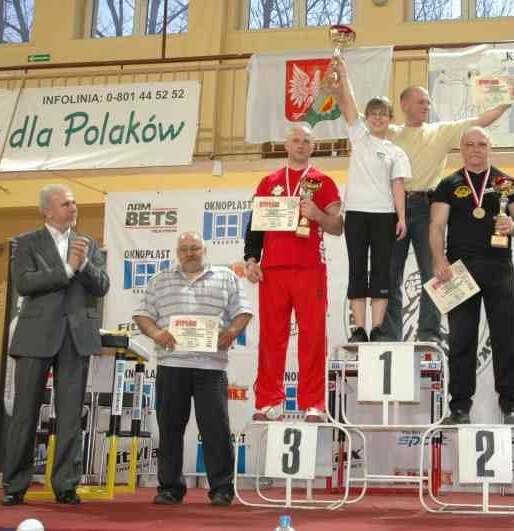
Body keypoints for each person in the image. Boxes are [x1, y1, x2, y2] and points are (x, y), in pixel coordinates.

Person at [383, 83, 514, 343]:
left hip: (426, 206)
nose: (427, 106)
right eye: (422, 101)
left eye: (428, 102)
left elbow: (481, 121)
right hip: (394, 208)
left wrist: (506, 103)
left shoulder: (441, 131)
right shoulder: (388, 132)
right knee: (390, 275)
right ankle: (390, 335)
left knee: (434, 274)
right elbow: (356, 120)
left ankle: (429, 334)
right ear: (404, 105)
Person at [0, 184, 109, 507]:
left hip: (75, 338)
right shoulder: (25, 243)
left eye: (74, 204)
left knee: (71, 415)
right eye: (65, 204)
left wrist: (84, 263)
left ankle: (66, 484)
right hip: (36, 337)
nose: (72, 209)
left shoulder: (87, 243)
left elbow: (102, 285)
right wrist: (66, 269)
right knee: (24, 413)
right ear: (46, 210)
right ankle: (15, 484)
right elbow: (25, 282)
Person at [133, 232, 253, 506]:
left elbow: (243, 310)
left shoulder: (226, 277)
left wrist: (232, 332)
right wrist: (156, 332)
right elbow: (142, 314)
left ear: (204, 249)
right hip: (171, 365)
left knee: (216, 429)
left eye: (195, 248)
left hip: (211, 367)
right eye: (184, 249)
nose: (190, 253)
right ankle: (170, 488)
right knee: (170, 428)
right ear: (177, 252)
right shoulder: (160, 279)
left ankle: (222, 488)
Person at [430, 127, 514, 424]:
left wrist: (512, 227)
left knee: (505, 336)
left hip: (499, 265)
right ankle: (460, 406)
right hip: (459, 270)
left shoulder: (507, 183)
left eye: (482, 144)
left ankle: (511, 404)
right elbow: (436, 226)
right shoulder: (448, 184)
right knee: (461, 339)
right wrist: (439, 259)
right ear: (461, 149)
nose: (476, 149)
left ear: (490, 147)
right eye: (470, 145)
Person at [244, 125, 343, 422]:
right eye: (296, 140)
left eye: (307, 141)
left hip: (310, 268)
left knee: (312, 337)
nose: (301, 145)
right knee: (271, 337)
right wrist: (251, 259)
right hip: (273, 270)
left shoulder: (323, 181)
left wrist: (318, 215)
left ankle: (313, 403)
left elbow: (337, 227)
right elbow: (255, 225)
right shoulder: (268, 182)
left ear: (314, 147)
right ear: (286, 144)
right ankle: (267, 402)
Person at [328, 57, 409, 343]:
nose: (377, 118)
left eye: (383, 114)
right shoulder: (359, 136)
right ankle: (359, 330)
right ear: (367, 117)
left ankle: (377, 329)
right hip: (356, 214)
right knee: (357, 269)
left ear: (390, 119)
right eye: (372, 113)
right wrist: (344, 73)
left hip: (385, 215)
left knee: (381, 273)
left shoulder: (396, 152)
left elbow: (398, 185)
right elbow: (348, 102)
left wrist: (401, 217)